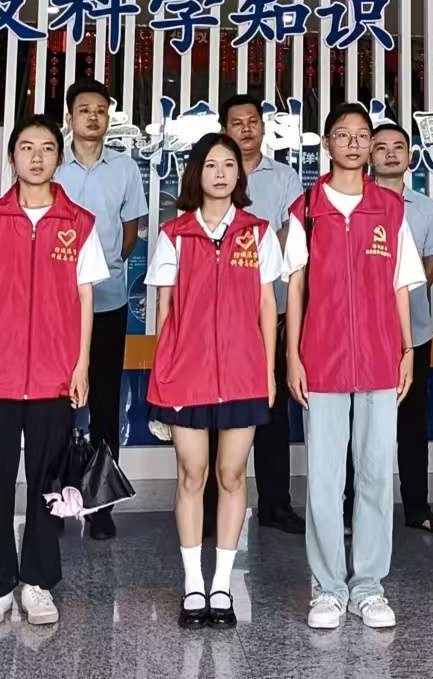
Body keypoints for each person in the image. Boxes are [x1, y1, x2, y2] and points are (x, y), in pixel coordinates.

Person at [0, 115, 108, 627]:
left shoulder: (78, 222)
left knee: (48, 485)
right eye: (25, 147)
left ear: (59, 157)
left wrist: (81, 364)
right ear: (12, 157)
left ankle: (38, 583)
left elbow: (86, 297)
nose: (36, 157)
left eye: (46, 148)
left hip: (53, 376)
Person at [284, 102, 423, 631]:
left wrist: (407, 350)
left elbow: (400, 286)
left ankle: (368, 586)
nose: (353, 143)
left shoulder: (390, 208)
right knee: (324, 478)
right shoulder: (306, 208)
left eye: (361, 135)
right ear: (326, 144)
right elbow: (295, 287)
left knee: (375, 474)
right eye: (342, 135)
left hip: (381, 359)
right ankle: (326, 587)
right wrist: (293, 355)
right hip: (322, 359)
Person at [145, 134, 283, 629]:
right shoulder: (174, 234)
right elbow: (164, 309)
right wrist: (163, 370)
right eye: (210, 165)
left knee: (231, 475)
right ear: (196, 174)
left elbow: (267, 305)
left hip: (243, 373)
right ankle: (192, 584)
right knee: (192, 474)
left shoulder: (258, 233)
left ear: (239, 176)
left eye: (228, 165)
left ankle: (221, 583)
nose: (220, 173)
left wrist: (267, 370)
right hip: (186, 374)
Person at [53, 77, 149, 541]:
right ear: (70, 117)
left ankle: (100, 503)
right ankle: (55, 498)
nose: (93, 117)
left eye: (100, 110)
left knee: (106, 402)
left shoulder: (124, 168)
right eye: (84, 110)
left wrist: (106, 266)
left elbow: (131, 230)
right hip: (56, 306)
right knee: (55, 405)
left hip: (108, 300)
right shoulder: (52, 164)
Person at [220, 92, 306, 535]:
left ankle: (276, 503)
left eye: (253, 121)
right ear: (224, 129)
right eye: (237, 122)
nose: (246, 129)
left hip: (272, 308)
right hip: (222, 314)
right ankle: (214, 502)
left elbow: (291, 236)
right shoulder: (215, 172)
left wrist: (262, 270)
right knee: (219, 405)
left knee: (273, 409)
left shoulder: (285, 177)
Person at [369, 120, 433, 537]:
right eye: (381, 146)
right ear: (369, 154)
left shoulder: (424, 207)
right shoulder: (356, 202)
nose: (390, 153)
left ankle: (417, 507)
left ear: (410, 156)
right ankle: (357, 509)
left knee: (412, 423)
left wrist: (400, 299)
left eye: (398, 147)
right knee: (363, 424)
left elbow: (432, 262)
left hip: (413, 333)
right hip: (364, 334)